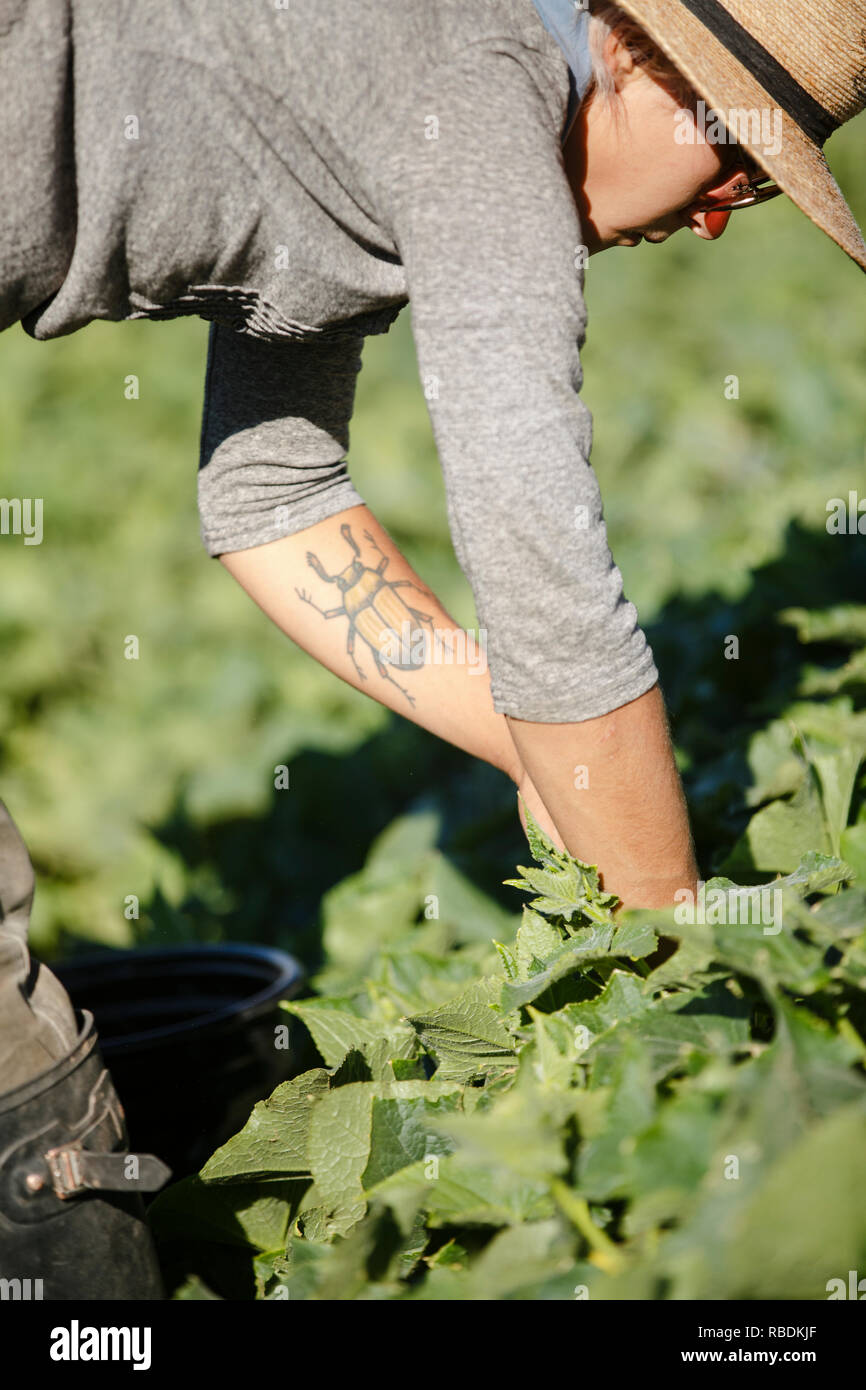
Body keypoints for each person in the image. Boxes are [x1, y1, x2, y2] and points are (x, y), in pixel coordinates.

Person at [1, 0, 865, 1100]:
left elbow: (274, 492)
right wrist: (679, 975)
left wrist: (534, 750)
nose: (712, 220)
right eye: (738, 164)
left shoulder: (396, 72)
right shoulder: (478, 81)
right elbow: (535, 545)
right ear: (635, 53)